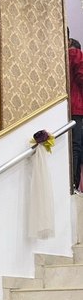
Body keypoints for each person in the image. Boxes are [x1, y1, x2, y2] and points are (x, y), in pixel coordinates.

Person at [68, 29, 83, 193]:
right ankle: (74, 183)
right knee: (76, 145)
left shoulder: (61, 57)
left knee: (71, 144)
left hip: (65, 106)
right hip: (77, 106)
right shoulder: (76, 54)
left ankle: (71, 182)